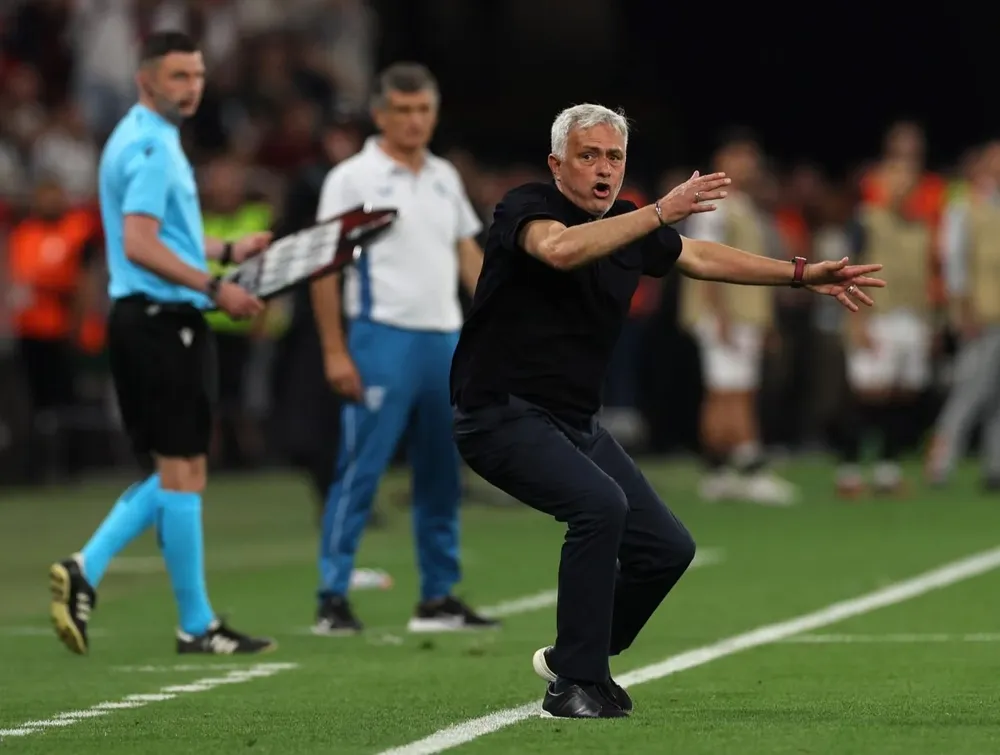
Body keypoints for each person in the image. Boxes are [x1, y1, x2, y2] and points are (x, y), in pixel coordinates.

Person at [449, 103, 886, 718]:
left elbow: (701, 258)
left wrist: (801, 274)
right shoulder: (526, 207)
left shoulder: (632, 224)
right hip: (500, 413)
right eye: (589, 156)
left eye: (615, 157)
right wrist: (656, 212)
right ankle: (573, 681)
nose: (604, 168)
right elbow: (561, 251)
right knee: (599, 506)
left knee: (666, 549)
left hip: (572, 422)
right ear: (557, 165)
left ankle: (582, 654)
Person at [48, 31, 276, 656]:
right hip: (158, 319)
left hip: (157, 318)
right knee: (180, 471)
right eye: (178, 76)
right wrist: (216, 286)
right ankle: (118, 583)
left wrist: (227, 249)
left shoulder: (151, 137)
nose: (192, 86)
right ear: (146, 81)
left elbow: (163, 234)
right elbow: (141, 243)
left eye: (197, 74)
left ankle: (182, 617)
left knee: (184, 471)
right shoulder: (150, 144)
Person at [310, 63, 496, 634]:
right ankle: (332, 597)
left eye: (424, 110)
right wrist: (336, 351)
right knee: (360, 469)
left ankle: (437, 597)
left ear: (434, 114)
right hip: (380, 336)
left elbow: (469, 256)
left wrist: (500, 324)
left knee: (443, 473)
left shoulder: (442, 176)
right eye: (404, 110)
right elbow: (325, 267)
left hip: (444, 340)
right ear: (380, 113)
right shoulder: (351, 178)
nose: (415, 121)